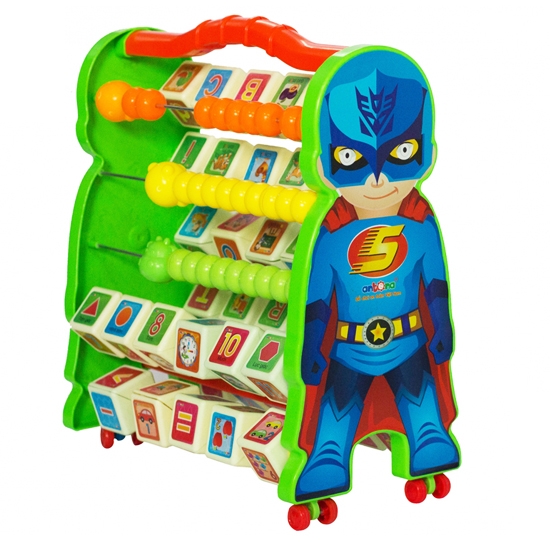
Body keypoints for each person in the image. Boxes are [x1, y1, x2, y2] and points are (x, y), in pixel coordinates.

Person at [295, 48, 460, 501]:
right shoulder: (331, 231)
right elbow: (318, 297)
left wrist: (442, 325)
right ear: (323, 162)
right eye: (352, 157)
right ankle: (328, 455)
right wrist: (312, 345)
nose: (377, 178)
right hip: (348, 349)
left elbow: (435, 283)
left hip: (409, 341)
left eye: (401, 152)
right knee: (335, 414)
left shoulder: (420, 222)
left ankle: (428, 437)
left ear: (426, 152)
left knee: (423, 406)